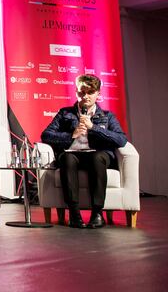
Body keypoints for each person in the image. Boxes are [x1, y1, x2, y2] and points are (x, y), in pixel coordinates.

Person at [41, 74, 127, 229]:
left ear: (98, 94)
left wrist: (93, 128)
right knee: (67, 158)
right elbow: (46, 135)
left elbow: (121, 140)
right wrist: (71, 135)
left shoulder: (107, 116)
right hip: (72, 153)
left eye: (90, 92)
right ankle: (74, 214)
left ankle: (97, 214)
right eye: (82, 92)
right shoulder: (65, 113)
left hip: (97, 155)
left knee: (97, 157)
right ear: (76, 92)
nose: (85, 96)